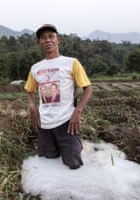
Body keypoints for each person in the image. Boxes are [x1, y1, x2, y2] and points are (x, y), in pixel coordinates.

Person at [24, 24, 92, 169]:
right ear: (39, 43)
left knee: (73, 164)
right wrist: (32, 106)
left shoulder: (71, 63)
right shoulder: (36, 68)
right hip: (44, 124)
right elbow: (29, 91)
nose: (47, 40)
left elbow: (88, 88)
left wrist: (77, 111)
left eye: (51, 36)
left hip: (67, 123)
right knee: (49, 162)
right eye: (43, 38)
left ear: (58, 40)